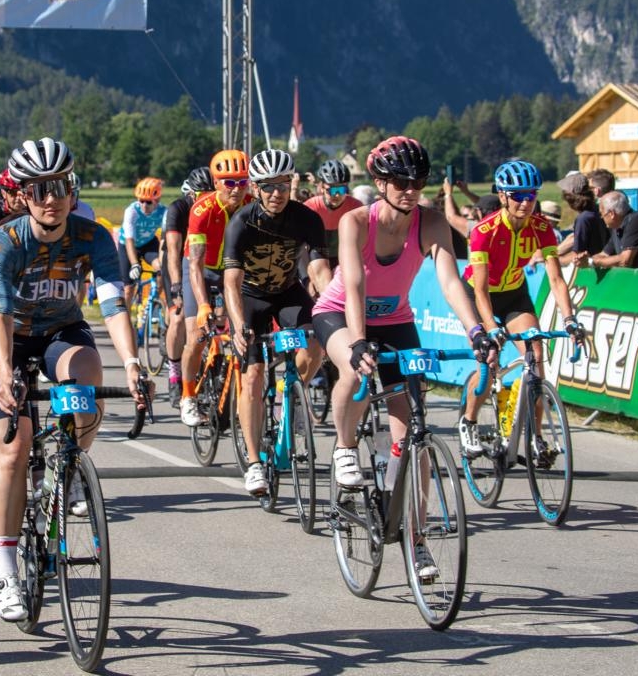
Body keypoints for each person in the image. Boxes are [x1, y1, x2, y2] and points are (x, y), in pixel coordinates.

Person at [0, 137, 147, 622]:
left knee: (88, 378)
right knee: (14, 443)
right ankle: (5, 569)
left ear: (73, 187)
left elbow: (112, 303)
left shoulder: (94, 237)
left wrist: (132, 363)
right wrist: (6, 378)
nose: (53, 197)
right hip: (2, 338)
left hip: (58, 331)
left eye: (61, 185)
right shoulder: (6, 242)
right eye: (40, 189)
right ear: (24, 196)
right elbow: (0, 317)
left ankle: (66, 468)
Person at [310, 136, 495, 580]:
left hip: (395, 320)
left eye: (418, 181)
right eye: (399, 181)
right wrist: (357, 342)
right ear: (380, 181)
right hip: (339, 314)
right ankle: (345, 447)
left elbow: (452, 282)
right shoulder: (357, 221)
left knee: (415, 435)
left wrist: (475, 330)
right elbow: (352, 284)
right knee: (353, 370)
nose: (410, 189)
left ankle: (417, 541)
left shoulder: (430, 224)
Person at [457, 160, 585, 459]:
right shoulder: (483, 231)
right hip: (480, 295)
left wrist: (570, 318)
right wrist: (490, 328)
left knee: (535, 357)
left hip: (514, 294)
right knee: (488, 363)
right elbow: (480, 289)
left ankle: (535, 437)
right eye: (518, 195)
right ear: (502, 195)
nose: (525, 202)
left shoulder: (541, 227)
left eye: (531, 195)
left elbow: (555, 277)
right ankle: (470, 420)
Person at [223, 149, 332, 495]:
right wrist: (240, 324)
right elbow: (231, 282)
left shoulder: (307, 218)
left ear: (291, 184)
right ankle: (254, 463)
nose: (276, 193)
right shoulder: (241, 222)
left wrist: (332, 305)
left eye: (283, 184)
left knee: (316, 342)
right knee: (253, 375)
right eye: (268, 186)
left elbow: (317, 269)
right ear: (255, 188)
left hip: (288, 292)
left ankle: (292, 393)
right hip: (250, 298)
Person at [179, 150, 252, 427]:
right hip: (201, 268)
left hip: (233, 270)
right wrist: (203, 305)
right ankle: (187, 396)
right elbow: (195, 266)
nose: (236, 189)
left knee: (244, 328)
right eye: (229, 182)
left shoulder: (251, 204)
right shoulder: (201, 210)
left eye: (242, 182)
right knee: (197, 336)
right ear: (217, 182)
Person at [163, 166, 213, 407]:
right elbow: (173, 251)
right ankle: (174, 374)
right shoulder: (178, 209)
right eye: (201, 195)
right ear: (191, 194)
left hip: (204, 262)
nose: (206, 200)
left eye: (210, 194)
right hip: (177, 264)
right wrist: (176, 286)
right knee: (178, 318)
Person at [118, 177, 167, 309]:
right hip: (127, 245)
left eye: (149, 202)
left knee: (162, 267)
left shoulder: (164, 212)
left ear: (157, 200)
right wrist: (134, 264)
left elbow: (165, 239)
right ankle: (125, 321)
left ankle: (154, 303)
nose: (144, 205)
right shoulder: (132, 211)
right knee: (128, 288)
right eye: (141, 201)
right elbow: (129, 240)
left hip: (148, 244)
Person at [304, 159, 361, 265]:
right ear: (321, 187)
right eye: (332, 190)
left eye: (341, 190)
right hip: (318, 251)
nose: (337, 195)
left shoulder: (355, 206)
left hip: (342, 253)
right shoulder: (311, 206)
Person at [586, 190, 638, 270]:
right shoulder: (617, 227)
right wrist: (587, 260)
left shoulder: (636, 221)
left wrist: (594, 262)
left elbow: (625, 260)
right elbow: (604, 254)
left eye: (602, 214)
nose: (602, 218)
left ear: (611, 214)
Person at [555, 172, 609, 264]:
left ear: (569, 197)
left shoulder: (583, 219)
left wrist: (553, 260)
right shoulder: (597, 210)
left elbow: (578, 256)